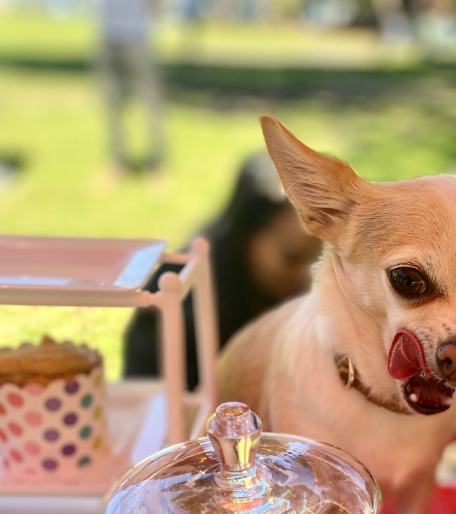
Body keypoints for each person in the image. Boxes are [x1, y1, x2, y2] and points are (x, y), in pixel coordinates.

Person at [123, 153, 322, 390]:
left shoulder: (271, 288)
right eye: (292, 258)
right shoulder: (190, 300)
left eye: (316, 258)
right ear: (247, 235)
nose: (306, 275)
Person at [97, 0, 166, 175]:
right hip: (108, 35)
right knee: (112, 105)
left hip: (137, 37)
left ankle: (157, 164)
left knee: (151, 104)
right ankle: (118, 163)